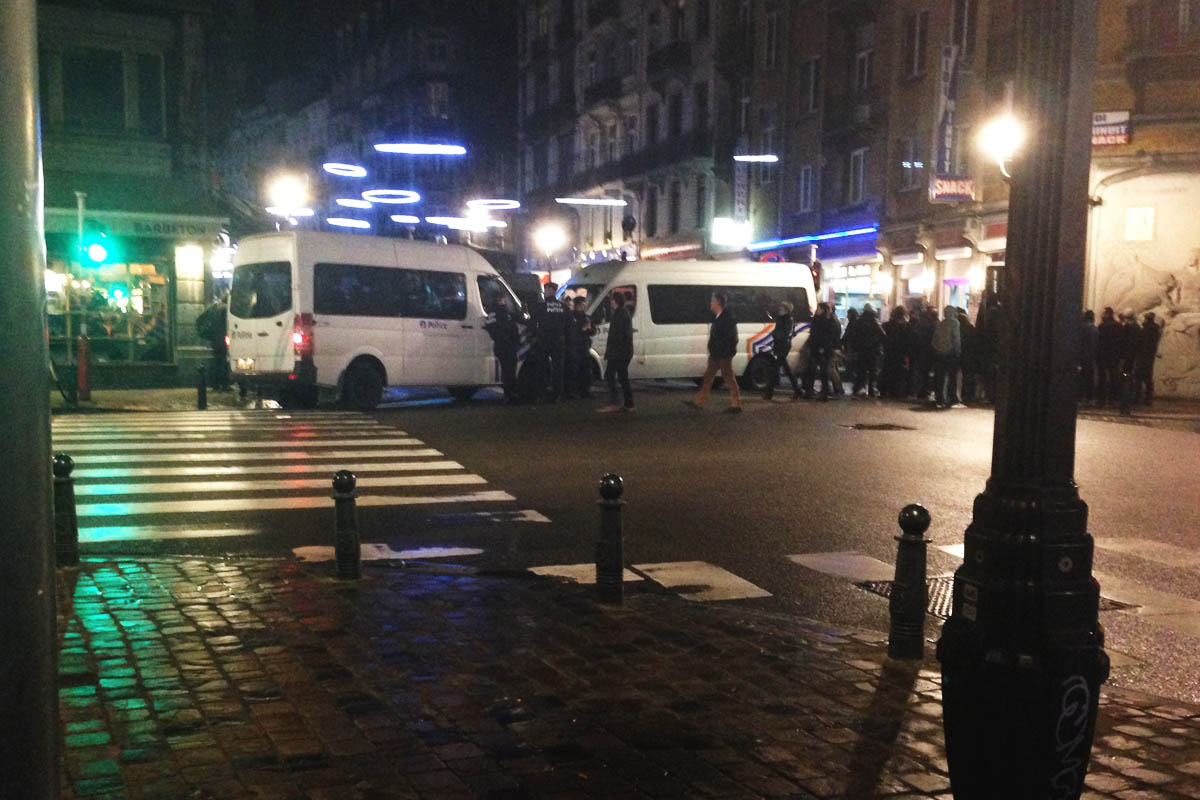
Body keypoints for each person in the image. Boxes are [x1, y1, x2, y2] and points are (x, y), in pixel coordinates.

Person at [686, 291, 742, 412]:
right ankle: (699, 400)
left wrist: (725, 353)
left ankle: (736, 404)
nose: (710, 303)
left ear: (718, 303)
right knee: (708, 376)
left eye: (712, 301)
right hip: (716, 354)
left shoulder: (728, 319)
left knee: (728, 377)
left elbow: (732, 338)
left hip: (723, 355)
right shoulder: (719, 317)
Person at [530, 282, 567, 402]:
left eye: (546, 290)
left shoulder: (541, 307)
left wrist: (534, 335)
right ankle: (557, 394)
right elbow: (569, 325)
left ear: (551, 291)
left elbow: (532, 323)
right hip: (559, 342)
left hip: (544, 341)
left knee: (541, 368)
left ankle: (540, 394)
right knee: (558, 369)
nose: (544, 292)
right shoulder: (563, 307)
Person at [598, 293, 634, 413]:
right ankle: (627, 403)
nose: (611, 302)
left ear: (616, 301)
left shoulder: (620, 314)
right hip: (621, 352)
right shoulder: (622, 313)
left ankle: (617, 402)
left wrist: (612, 352)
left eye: (613, 300)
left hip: (619, 353)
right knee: (620, 377)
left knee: (614, 376)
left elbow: (618, 336)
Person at [484, 294, 521, 404]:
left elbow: (491, 327)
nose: (504, 301)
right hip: (505, 345)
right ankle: (509, 394)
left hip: (505, 345)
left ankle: (510, 394)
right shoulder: (501, 313)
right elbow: (493, 329)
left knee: (509, 370)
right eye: (502, 299)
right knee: (508, 371)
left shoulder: (499, 313)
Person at [763, 300, 800, 400]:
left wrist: (775, 335)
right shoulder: (782, 318)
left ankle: (769, 393)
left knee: (775, 370)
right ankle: (797, 390)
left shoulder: (788, 319)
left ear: (786, 310)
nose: (780, 309)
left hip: (783, 345)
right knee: (785, 369)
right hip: (780, 345)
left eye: (782, 308)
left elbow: (785, 333)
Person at [803, 302, 840, 401]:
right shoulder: (816, 320)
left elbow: (829, 336)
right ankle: (809, 391)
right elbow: (813, 334)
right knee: (811, 370)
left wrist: (823, 347)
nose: (817, 310)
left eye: (818, 308)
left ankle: (825, 393)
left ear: (823, 310)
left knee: (824, 372)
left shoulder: (830, 321)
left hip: (823, 349)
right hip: (815, 348)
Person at [848, 304, 884, 397]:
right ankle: (871, 389)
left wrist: (855, 348)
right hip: (873, 351)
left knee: (861, 370)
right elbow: (883, 336)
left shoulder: (858, 322)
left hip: (861, 350)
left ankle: (859, 388)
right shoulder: (875, 322)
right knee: (873, 371)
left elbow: (853, 337)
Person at [195, 291, 230, 389]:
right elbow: (225, 326)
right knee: (223, 361)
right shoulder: (225, 309)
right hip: (223, 338)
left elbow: (199, 319)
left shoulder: (214, 307)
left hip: (215, 338)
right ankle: (224, 384)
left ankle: (215, 384)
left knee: (216, 360)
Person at [931, 304, 962, 408]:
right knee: (952, 377)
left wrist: (938, 349)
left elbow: (934, 340)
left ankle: (939, 398)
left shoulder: (940, 324)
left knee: (940, 376)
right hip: (950, 354)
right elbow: (956, 338)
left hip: (939, 354)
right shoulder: (955, 323)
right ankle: (952, 398)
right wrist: (957, 350)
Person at [881, 306, 912, 399]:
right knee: (901, 372)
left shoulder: (886, 325)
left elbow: (883, 338)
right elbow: (909, 340)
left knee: (888, 370)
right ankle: (898, 391)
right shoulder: (906, 326)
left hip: (889, 351)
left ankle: (885, 389)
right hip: (902, 353)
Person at [1133, 311, 1161, 405]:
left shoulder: (1145, 330)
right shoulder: (1156, 330)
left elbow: (1140, 343)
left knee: (1139, 377)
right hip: (1150, 356)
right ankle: (1148, 398)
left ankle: (1138, 397)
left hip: (1142, 356)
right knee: (1148, 377)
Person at [1096, 307, 1122, 406]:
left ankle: (1101, 399)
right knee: (1114, 376)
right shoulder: (1118, 326)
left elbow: (1099, 342)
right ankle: (1113, 398)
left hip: (1103, 354)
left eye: (1103, 314)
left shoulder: (1102, 326)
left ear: (1107, 314)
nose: (1102, 316)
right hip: (1115, 355)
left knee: (1102, 377)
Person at [570, 297, 594, 398]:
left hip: (585, 347)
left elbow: (593, 331)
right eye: (581, 305)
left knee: (586, 369)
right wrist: (583, 328)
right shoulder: (572, 317)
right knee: (575, 370)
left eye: (584, 305)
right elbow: (572, 332)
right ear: (576, 306)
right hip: (575, 347)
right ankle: (574, 391)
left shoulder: (586, 317)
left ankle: (585, 390)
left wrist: (590, 329)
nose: (583, 307)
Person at [957, 308, 977, 405]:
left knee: (957, 375)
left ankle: (958, 394)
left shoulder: (957, 329)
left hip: (959, 354)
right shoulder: (971, 328)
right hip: (969, 355)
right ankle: (967, 395)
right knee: (968, 375)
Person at [1079, 310, 1098, 404]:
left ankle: (1081, 396)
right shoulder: (1094, 328)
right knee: (1090, 377)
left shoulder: (1082, 328)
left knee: (1081, 377)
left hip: (1082, 355)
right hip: (1091, 356)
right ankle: (1090, 397)